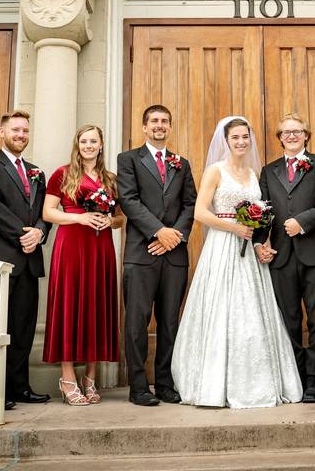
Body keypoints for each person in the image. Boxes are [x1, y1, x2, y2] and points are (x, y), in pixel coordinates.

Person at [171, 116, 302, 408]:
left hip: (248, 250)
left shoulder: (255, 175)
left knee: (251, 312)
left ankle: (256, 381)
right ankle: (216, 384)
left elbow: (262, 216)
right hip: (222, 245)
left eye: (245, 137)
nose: (241, 142)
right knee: (222, 310)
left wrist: (260, 241)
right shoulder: (215, 172)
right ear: (226, 141)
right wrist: (234, 228)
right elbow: (200, 213)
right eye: (235, 138)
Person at [254, 113, 315, 403]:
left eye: (297, 131)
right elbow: (264, 212)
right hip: (281, 256)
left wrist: (302, 221)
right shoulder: (269, 171)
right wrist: (258, 243)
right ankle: (297, 377)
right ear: (279, 138)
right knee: (288, 320)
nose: (291, 136)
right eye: (285, 132)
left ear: (306, 135)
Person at [116, 105, 197, 406]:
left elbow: (191, 203)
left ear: (170, 127)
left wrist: (173, 236)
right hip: (141, 253)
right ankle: (138, 387)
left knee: (169, 323)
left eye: (164, 121)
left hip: (174, 254)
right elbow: (129, 199)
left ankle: (165, 383)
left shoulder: (182, 163)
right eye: (154, 121)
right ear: (144, 127)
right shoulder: (128, 160)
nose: (159, 125)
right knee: (137, 322)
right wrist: (157, 231)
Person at [0, 110, 52, 410]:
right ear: (2, 133)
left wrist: (41, 233)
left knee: (22, 327)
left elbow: (45, 213)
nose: (21, 135)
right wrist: (24, 234)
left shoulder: (36, 171)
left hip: (30, 261)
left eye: (25, 131)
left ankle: (19, 386)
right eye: (16, 130)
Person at [42, 125, 124, 406]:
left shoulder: (110, 179)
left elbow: (121, 217)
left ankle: (90, 377)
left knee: (96, 306)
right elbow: (48, 212)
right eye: (84, 141)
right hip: (71, 246)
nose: (89, 145)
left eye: (94, 141)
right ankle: (67, 377)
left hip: (100, 248)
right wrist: (80, 218)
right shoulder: (62, 174)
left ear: (101, 145)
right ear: (77, 144)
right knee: (70, 305)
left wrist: (109, 221)